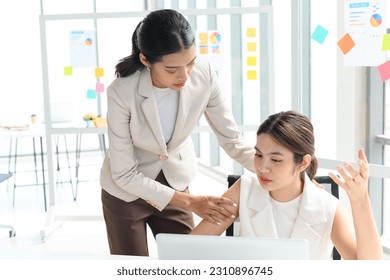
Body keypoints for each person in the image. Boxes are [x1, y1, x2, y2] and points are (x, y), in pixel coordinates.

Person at [99, 9, 255, 256]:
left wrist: (282, 171)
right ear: (146, 60)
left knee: (185, 261)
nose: (184, 76)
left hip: (174, 179)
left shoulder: (204, 75)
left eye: (190, 63)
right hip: (126, 191)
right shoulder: (121, 92)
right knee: (132, 268)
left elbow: (232, 140)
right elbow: (124, 174)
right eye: (171, 69)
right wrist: (191, 202)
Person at [191, 110, 383, 260]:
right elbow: (191, 247)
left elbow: (369, 269)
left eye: (276, 160)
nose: (262, 168)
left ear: (303, 163)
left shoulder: (327, 206)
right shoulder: (244, 189)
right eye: (258, 155)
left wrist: (360, 201)